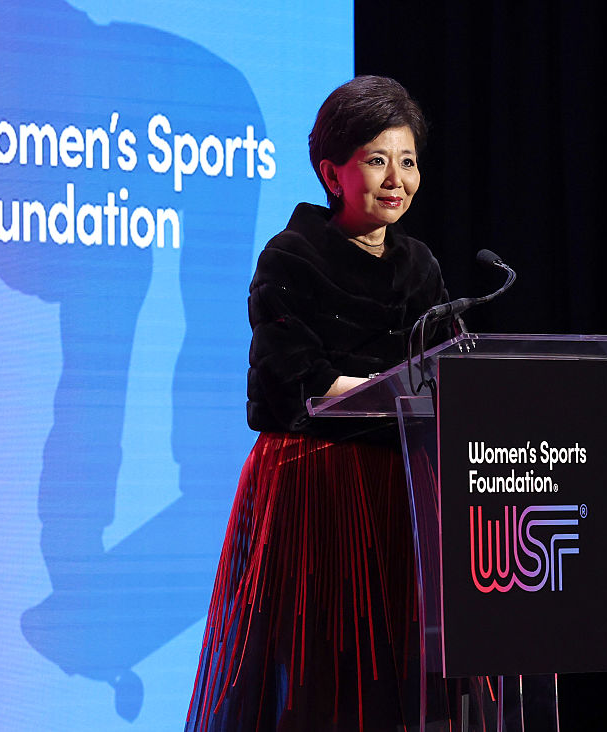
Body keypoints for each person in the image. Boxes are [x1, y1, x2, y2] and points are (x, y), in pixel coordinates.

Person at [185, 76, 458, 731]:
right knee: (313, 685)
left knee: (399, 686)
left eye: (409, 160)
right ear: (330, 172)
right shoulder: (290, 256)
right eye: (376, 159)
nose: (397, 178)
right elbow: (298, 382)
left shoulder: (420, 265)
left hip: (401, 490)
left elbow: (451, 372)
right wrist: (395, 395)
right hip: (314, 487)